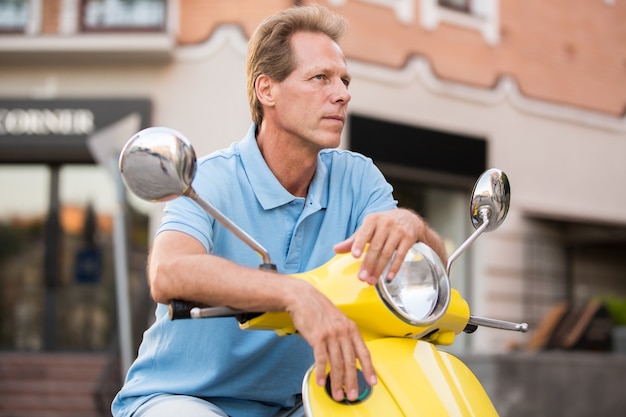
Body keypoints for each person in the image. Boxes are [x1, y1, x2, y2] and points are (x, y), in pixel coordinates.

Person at [112, 4, 447, 417]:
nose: (342, 93)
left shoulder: (358, 177)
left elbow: (433, 272)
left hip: (300, 403)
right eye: (320, 78)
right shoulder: (210, 179)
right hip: (182, 398)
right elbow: (168, 272)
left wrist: (412, 227)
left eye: (343, 80)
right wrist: (293, 293)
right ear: (266, 90)